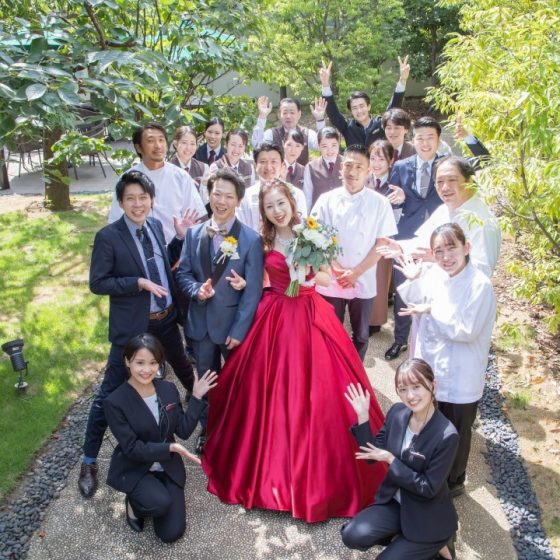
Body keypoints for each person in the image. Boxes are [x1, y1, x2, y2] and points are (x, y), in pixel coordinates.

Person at [201, 179, 388, 523]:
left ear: (291, 202)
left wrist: (308, 276)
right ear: (264, 211)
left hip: (309, 311)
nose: (277, 211)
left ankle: (319, 476)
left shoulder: (312, 234)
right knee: (266, 388)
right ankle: (266, 471)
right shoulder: (262, 242)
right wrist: (245, 284)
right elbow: (258, 279)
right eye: (269, 206)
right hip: (274, 313)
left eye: (281, 203)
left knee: (320, 388)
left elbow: (327, 277)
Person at [78, 171, 195, 499]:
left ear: (151, 200)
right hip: (133, 327)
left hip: (166, 318)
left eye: (143, 197)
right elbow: (98, 282)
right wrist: (137, 283)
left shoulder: (155, 226)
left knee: (186, 371)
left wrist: (179, 240)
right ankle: (88, 461)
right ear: (121, 202)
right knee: (108, 391)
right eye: (130, 198)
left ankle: (209, 426)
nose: (138, 204)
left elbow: (163, 262)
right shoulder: (108, 236)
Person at [397, 223, 496, 498]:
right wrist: (414, 279)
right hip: (433, 367)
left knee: (456, 430)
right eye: (438, 251)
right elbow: (415, 304)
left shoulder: (479, 285)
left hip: (462, 371)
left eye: (451, 248)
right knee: (430, 423)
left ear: (466, 247)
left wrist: (431, 309)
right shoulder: (435, 274)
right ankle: (430, 473)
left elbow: (466, 330)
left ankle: (453, 481)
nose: (445, 257)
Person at [175, 168, 264, 455]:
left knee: (239, 381)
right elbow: (183, 274)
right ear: (209, 195)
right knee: (205, 379)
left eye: (228, 196)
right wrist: (195, 290)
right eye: (216, 194)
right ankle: (208, 428)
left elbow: (252, 292)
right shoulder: (194, 234)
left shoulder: (250, 239)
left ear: (238, 200)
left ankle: (239, 430)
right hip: (200, 325)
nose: (221, 201)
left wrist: (239, 330)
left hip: (232, 328)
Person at [103, 334, 217, 543]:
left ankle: (154, 496)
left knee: (171, 533)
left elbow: (183, 430)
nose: (147, 370)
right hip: (136, 467)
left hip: (167, 466)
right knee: (159, 503)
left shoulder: (168, 389)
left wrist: (197, 397)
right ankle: (134, 506)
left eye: (153, 363)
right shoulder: (115, 402)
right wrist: (169, 448)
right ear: (127, 361)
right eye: (140, 363)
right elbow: (132, 448)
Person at [342, 359, 458, 559]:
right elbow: (371, 456)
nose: (410, 396)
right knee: (352, 535)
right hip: (396, 503)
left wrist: (391, 459)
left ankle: (439, 543)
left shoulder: (447, 435)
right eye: (403, 389)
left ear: (433, 385)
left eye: (416, 387)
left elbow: (428, 487)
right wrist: (362, 416)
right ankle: (402, 536)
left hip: (426, 515)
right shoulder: (397, 412)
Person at [312, 144, 397, 361]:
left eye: (359, 167)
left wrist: (356, 272)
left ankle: (355, 370)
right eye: (348, 165)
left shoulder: (380, 203)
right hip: (331, 277)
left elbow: (381, 243)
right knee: (330, 330)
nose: (352, 171)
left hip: (364, 276)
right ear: (341, 167)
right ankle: (331, 370)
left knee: (360, 334)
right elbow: (317, 237)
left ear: (368, 171)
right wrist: (337, 268)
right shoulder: (326, 200)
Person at [383, 116, 443, 361]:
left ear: (438, 140)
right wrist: (397, 200)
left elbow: (483, 161)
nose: (425, 143)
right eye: (420, 138)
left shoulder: (447, 165)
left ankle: (433, 340)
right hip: (407, 238)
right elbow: (391, 203)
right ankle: (400, 339)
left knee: (435, 290)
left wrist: (468, 137)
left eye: (430, 138)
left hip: (438, 240)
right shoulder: (401, 166)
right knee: (404, 291)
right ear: (413, 139)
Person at [396, 156, 501, 278]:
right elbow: (422, 242)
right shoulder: (444, 209)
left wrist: (439, 259)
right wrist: (399, 247)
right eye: (440, 182)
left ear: (469, 181)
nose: (445, 187)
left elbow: (483, 270)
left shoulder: (483, 221)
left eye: (452, 180)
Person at [108, 123, 207, 243]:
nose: (158, 145)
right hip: (138, 248)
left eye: (161, 140)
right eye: (150, 141)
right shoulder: (127, 179)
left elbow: (197, 217)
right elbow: (116, 221)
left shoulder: (180, 177)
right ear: (138, 147)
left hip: (176, 246)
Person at [319, 56, 410, 148]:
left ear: (369, 106)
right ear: (351, 111)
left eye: (362, 106)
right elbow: (333, 113)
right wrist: (325, 84)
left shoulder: (380, 123)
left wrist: (402, 80)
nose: (359, 111)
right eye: (354, 108)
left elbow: (393, 107)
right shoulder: (347, 126)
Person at [365, 140, 405, 335]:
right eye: (373, 158)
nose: (376, 163)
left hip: (385, 237)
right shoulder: (364, 180)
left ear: (390, 161)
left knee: (380, 279)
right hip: (363, 235)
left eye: (381, 159)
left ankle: (375, 320)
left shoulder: (396, 184)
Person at [237, 142, 308, 231]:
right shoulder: (245, 196)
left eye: (273, 161)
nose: (268, 167)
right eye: (263, 162)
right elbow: (241, 227)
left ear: (282, 165)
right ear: (255, 165)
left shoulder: (296, 194)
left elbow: (301, 227)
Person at [251, 96, 327, 165]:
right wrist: (262, 116)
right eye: (285, 113)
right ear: (279, 115)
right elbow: (257, 145)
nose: (288, 116)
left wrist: (320, 119)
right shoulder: (271, 133)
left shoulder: (307, 133)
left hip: (301, 175)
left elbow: (323, 145)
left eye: (292, 112)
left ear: (299, 114)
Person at [302, 126, 343, 210]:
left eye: (333, 145)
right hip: (319, 214)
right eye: (324, 146)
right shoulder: (310, 167)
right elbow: (307, 196)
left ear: (339, 144)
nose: (330, 150)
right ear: (319, 146)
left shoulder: (347, 164)